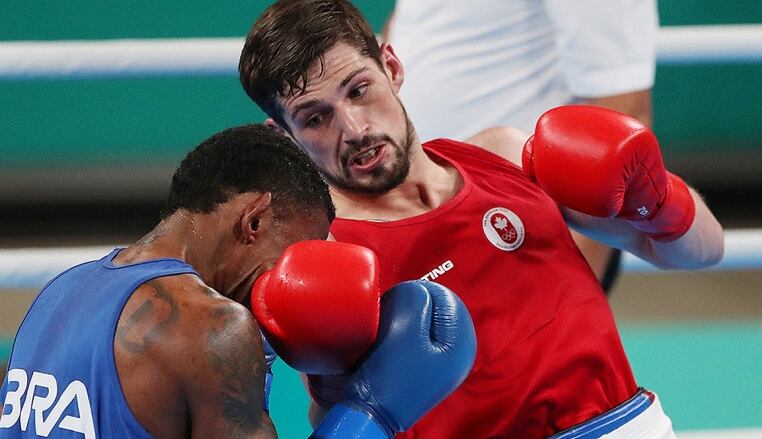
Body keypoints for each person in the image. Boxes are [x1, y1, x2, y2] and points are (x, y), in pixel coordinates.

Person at [238, 1, 725, 437]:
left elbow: (701, 251)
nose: (355, 128)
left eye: (359, 90)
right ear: (284, 135)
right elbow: (333, 422)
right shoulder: (325, 256)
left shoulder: (507, 156)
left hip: (626, 425)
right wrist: (348, 393)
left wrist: (659, 199)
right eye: (315, 118)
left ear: (392, 66)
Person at [0, 124, 477, 438]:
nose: (293, 280)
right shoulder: (212, 326)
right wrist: (372, 410)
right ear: (255, 219)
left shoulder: (59, 292)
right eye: (295, 253)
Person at [384, 0, 659, 291]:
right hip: (417, 216)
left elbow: (621, 111)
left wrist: (574, 292)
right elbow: (411, 23)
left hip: (517, 230)